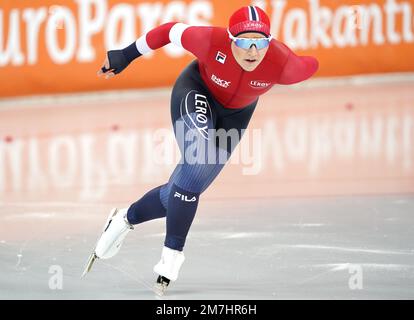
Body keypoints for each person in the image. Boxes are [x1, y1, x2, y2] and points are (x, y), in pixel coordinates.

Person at [82, 5, 319, 295]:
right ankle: (170, 258)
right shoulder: (208, 40)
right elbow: (169, 31)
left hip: (236, 116)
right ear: (231, 39)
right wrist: (126, 54)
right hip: (196, 91)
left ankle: (123, 219)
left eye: (261, 43)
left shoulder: (286, 65)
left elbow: (312, 63)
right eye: (244, 41)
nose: (253, 51)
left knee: (186, 188)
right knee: (197, 159)